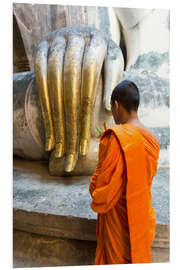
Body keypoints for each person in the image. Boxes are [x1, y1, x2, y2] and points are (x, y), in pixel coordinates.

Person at [89, 80, 160, 264]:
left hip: (118, 222)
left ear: (116, 106)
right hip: (141, 216)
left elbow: (101, 191)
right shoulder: (152, 138)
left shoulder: (115, 137)